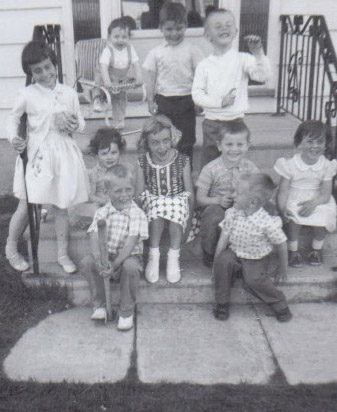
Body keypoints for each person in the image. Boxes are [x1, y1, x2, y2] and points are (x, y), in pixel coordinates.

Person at [5, 41, 89, 274]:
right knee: (27, 204)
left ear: (54, 64)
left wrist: (76, 124)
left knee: (61, 205)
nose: (45, 74)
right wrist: (14, 138)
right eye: (37, 70)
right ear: (31, 73)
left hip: (63, 153)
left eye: (47, 67)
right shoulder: (28, 94)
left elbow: (80, 121)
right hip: (38, 155)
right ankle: (11, 248)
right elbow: (12, 119)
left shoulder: (68, 93)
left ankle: (62, 253)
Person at [192, 8, 272, 167]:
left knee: (236, 161)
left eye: (228, 25)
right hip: (212, 122)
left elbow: (263, 76)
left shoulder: (244, 59)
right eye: (218, 26)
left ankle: (235, 190)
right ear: (207, 35)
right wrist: (219, 102)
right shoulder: (204, 65)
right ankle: (209, 190)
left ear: (235, 31)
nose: (224, 28)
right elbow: (197, 95)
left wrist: (258, 54)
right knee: (210, 161)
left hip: (236, 121)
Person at [213, 173, 292, 322]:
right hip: (235, 252)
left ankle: (279, 303)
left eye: (237, 193)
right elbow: (224, 236)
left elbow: (281, 243)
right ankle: (222, 303)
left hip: (256, 257)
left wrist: (283, 267)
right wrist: (216, 262)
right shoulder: (232, 213)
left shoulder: (266, 222)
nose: (233, 195)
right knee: (223, 262)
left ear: (252, 202)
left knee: (253, 281)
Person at [81, 164, 148, 331]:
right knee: (87, 262)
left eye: (128, 190)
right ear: (107, 192)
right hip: (107, 257)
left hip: (127, 258)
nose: (124, 195)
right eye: (118, 191)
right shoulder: (102, 213)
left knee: (131, 267)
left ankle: (126, 312)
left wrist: (115, 264)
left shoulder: (137, 213)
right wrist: (98, 259)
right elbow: (94, 236)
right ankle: (100, 305)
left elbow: (131, 242)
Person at [135, 114, 194, 284]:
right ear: (146, 143)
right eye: (155, 142)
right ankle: (153, 255)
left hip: (177, 199)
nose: (162, 147)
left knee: (177, 208)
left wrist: (188, 221)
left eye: (165, 141)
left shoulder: (182, 160)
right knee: (157, 211)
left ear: (172, 139)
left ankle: (173, 256)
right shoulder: (142, 161)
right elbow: (139, 194)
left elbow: (189, 192)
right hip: (153, 200)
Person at [143, 1, 204, 164]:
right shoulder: (156, 52)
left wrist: (200, 99)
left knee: (186, 140)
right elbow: (151, 77)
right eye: (169, 29)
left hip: (187, 100)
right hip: (164, 100)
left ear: (186, 26)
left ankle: (185, 176)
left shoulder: (192, 50)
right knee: (164, 138)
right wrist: (150, 99)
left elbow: (200, 76)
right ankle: (165, 171)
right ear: (161, 28)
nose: (174, 33)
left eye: (179, 28)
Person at [274, 120, 337, 267]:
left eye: (320, 142)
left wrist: (314, 203)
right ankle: (293, 250)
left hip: (318, 198)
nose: (315, 146)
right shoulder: (289, 165)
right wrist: (282, 209)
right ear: (299, 144)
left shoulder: (327, 166)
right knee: (293, 216)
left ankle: (317, 249)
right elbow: (283, 191)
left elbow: (326, 194)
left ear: (326, 144)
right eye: (310, 141)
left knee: (323, 213)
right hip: (293, 196)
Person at [196, 121, 258, 267]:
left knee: (264, 209)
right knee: (213, 215)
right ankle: (210, 252)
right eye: (229, 144)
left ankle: (251, 250)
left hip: (242, 207)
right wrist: (217, 200)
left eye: (240, 144)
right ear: (219, 146)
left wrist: (246, 199)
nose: (234, 149)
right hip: (218, 206)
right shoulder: (210, 168)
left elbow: (258, 192)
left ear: (248, 146)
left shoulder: (251, 168)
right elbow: (200, 198)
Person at [69, 127, 126, 228]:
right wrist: (105, 201)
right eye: (104, 154)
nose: (109, 157)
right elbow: (90, 196)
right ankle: (99, 221)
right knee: (94, 210)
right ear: (96, 154)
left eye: (113, 153)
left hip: (117, 202)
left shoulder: (121, 171)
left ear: (119, 152)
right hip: (100, 203)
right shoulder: (95, 173)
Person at [93, 18, 142, 129]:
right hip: (106, 75)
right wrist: (107, 81)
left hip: (119, 78)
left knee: (121, 99)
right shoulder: (108, 50)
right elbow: (104, 67)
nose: (120, 40)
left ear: (129, 38)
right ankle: (98, 99)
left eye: (124, 37)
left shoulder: (130, 49)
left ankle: (118, 120)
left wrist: (139, 77)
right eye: (116, 37)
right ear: (109, 37)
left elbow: (136, 64)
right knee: (99, 86)